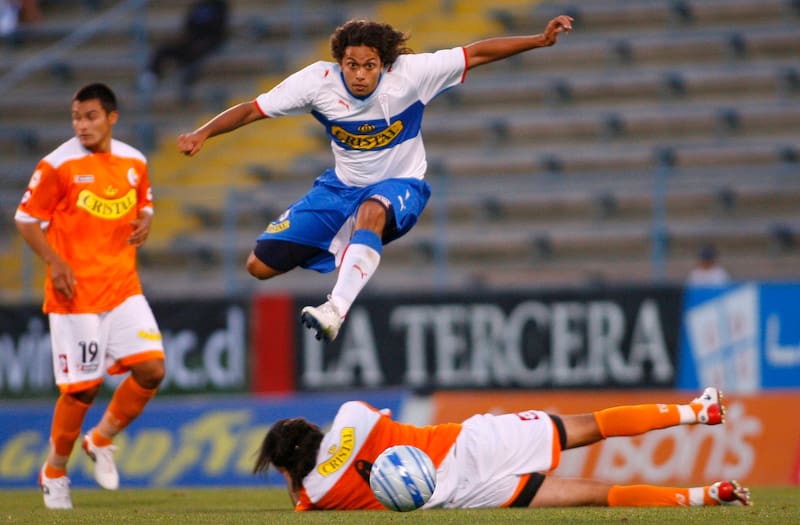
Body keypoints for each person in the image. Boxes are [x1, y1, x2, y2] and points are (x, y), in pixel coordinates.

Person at [177, 16, 575, 343]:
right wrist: (202, 133)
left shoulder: (413, 74)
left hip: (401, 183)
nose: (360, 74)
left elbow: (476, 53)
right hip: (340, 188)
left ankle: (336, 307)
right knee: (258, 266)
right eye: (352, 64)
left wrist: (539, 40)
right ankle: (349, 256)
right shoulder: (317, 83)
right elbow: (252, 110)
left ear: (385, 65)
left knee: (372, 211)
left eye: (370, 66)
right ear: (339, 62)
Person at [14, 83, 165, 510]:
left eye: (91, 117)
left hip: (122, 286)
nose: (82, 125)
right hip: (75, 293)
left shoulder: (134, 161)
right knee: (82, 389)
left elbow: (145, 202)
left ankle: (99, 440)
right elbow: (26, 220)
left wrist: (146, 222)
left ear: (111, 117)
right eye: (77, 117)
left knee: (152, 370)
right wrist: (54, 261)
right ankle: (55, 471)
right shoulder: (57, 165)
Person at [254, 387, 751, 510]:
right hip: (472, 443)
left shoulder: (315, 495)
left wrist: (298, 480)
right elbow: (379, 423)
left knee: (595, 494)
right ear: (311, 429)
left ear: (283, 467)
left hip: (466, 495)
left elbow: (303, 498)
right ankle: (697, 412)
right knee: (593, 425)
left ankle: (706, 497)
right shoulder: (351, 418)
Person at [139, 0, 229, 101]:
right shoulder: (198, 5)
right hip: (191, 42)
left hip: (208, 44)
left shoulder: (219, 5)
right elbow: (188, 24)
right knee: (163, 50)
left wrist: (204, 41)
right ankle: (151, 77)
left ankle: (186, 89)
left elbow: (219, 28)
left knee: (194, 60)